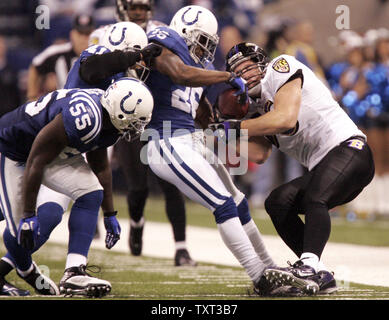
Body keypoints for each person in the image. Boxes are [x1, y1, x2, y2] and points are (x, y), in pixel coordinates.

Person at [143, 5, 300, 297]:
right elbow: (181, 75)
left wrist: (222, 119)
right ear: (185, 32)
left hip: (189, 139)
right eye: (202, 40)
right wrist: (226, 77)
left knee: (238, 203)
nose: (205, 48)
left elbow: (201, 112)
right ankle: (259, 277)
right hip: (165, 141)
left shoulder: (196, 66)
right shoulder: (164, 44)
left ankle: (270, 267)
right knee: (222, 203)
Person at [0, 21, 158, 296]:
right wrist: (26, 215)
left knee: (83, 196)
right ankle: (24, 268)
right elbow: (37, 154)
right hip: (20, 148)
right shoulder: (96, 67)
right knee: (24, 225)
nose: (141, 65)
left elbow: (100, 164)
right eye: (137, 55)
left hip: (62, 147)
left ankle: (74, 272)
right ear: (126, 50)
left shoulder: (112, 106)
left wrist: (109, 212)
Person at [214, 42, 375, 294]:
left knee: (315, 197)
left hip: (350, 150)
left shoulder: (282, 67)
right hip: (326, 167)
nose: (246, 73)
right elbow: (259, 154)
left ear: (262, 62)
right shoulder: (254, 108)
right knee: (278, 202)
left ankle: (308, 266)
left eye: (249, 65)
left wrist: (234, 128)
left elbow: (285, 118)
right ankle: (319, 274)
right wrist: (217, 133)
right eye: (239, 71)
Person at [114, 0, 196, 266]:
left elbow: (180, 67)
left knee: (172, 183)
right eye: (134, 7)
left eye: (143, 7)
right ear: (123, 8)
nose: (138, 12)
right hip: (128, 116)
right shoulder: (111, 33)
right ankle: (137, 222)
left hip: (160, 115)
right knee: (138, 188)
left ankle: (181, 248)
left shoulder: (162, 32)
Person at [27, 14, 95, 101]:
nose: (83, 38)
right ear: (72, 34)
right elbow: (35, 66)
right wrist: (32, 97)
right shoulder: (57, 52)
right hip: (64, 105)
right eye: (80, 33)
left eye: (87, 34)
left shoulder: (101, 53)